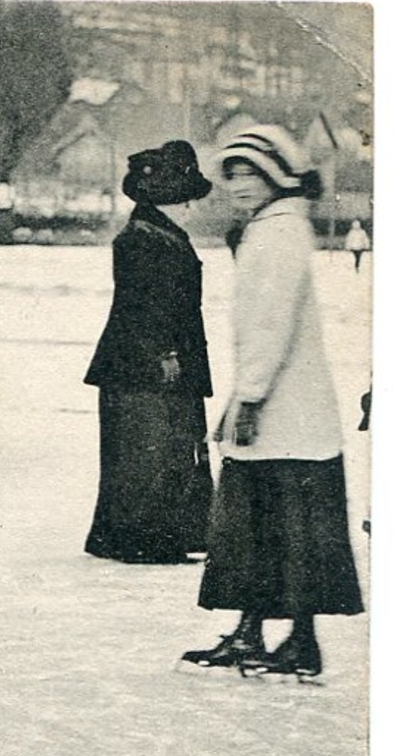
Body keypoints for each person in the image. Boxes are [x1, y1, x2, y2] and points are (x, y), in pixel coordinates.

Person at [181, 125, 363, 680]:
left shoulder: (279, 234)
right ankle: (257, 632)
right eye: (230, 174)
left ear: (277, 177)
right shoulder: (271, 228)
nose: (236, 185)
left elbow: (271, 323)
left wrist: (251, 397)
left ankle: (294, 640)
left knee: (281, 528)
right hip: (283, 411)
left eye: (249, 174)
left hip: (286, 414)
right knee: (264, 528)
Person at [82, 140, 215, 564]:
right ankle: (144, 539)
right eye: (186, 197)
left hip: (150, 362)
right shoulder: (143, 237)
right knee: (149, 453)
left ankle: (145, 535)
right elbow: (141, 306)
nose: (192, 206)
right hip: (146, 364)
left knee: (157, 451)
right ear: (167, 198)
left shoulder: (156, 232)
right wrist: (165, 353)